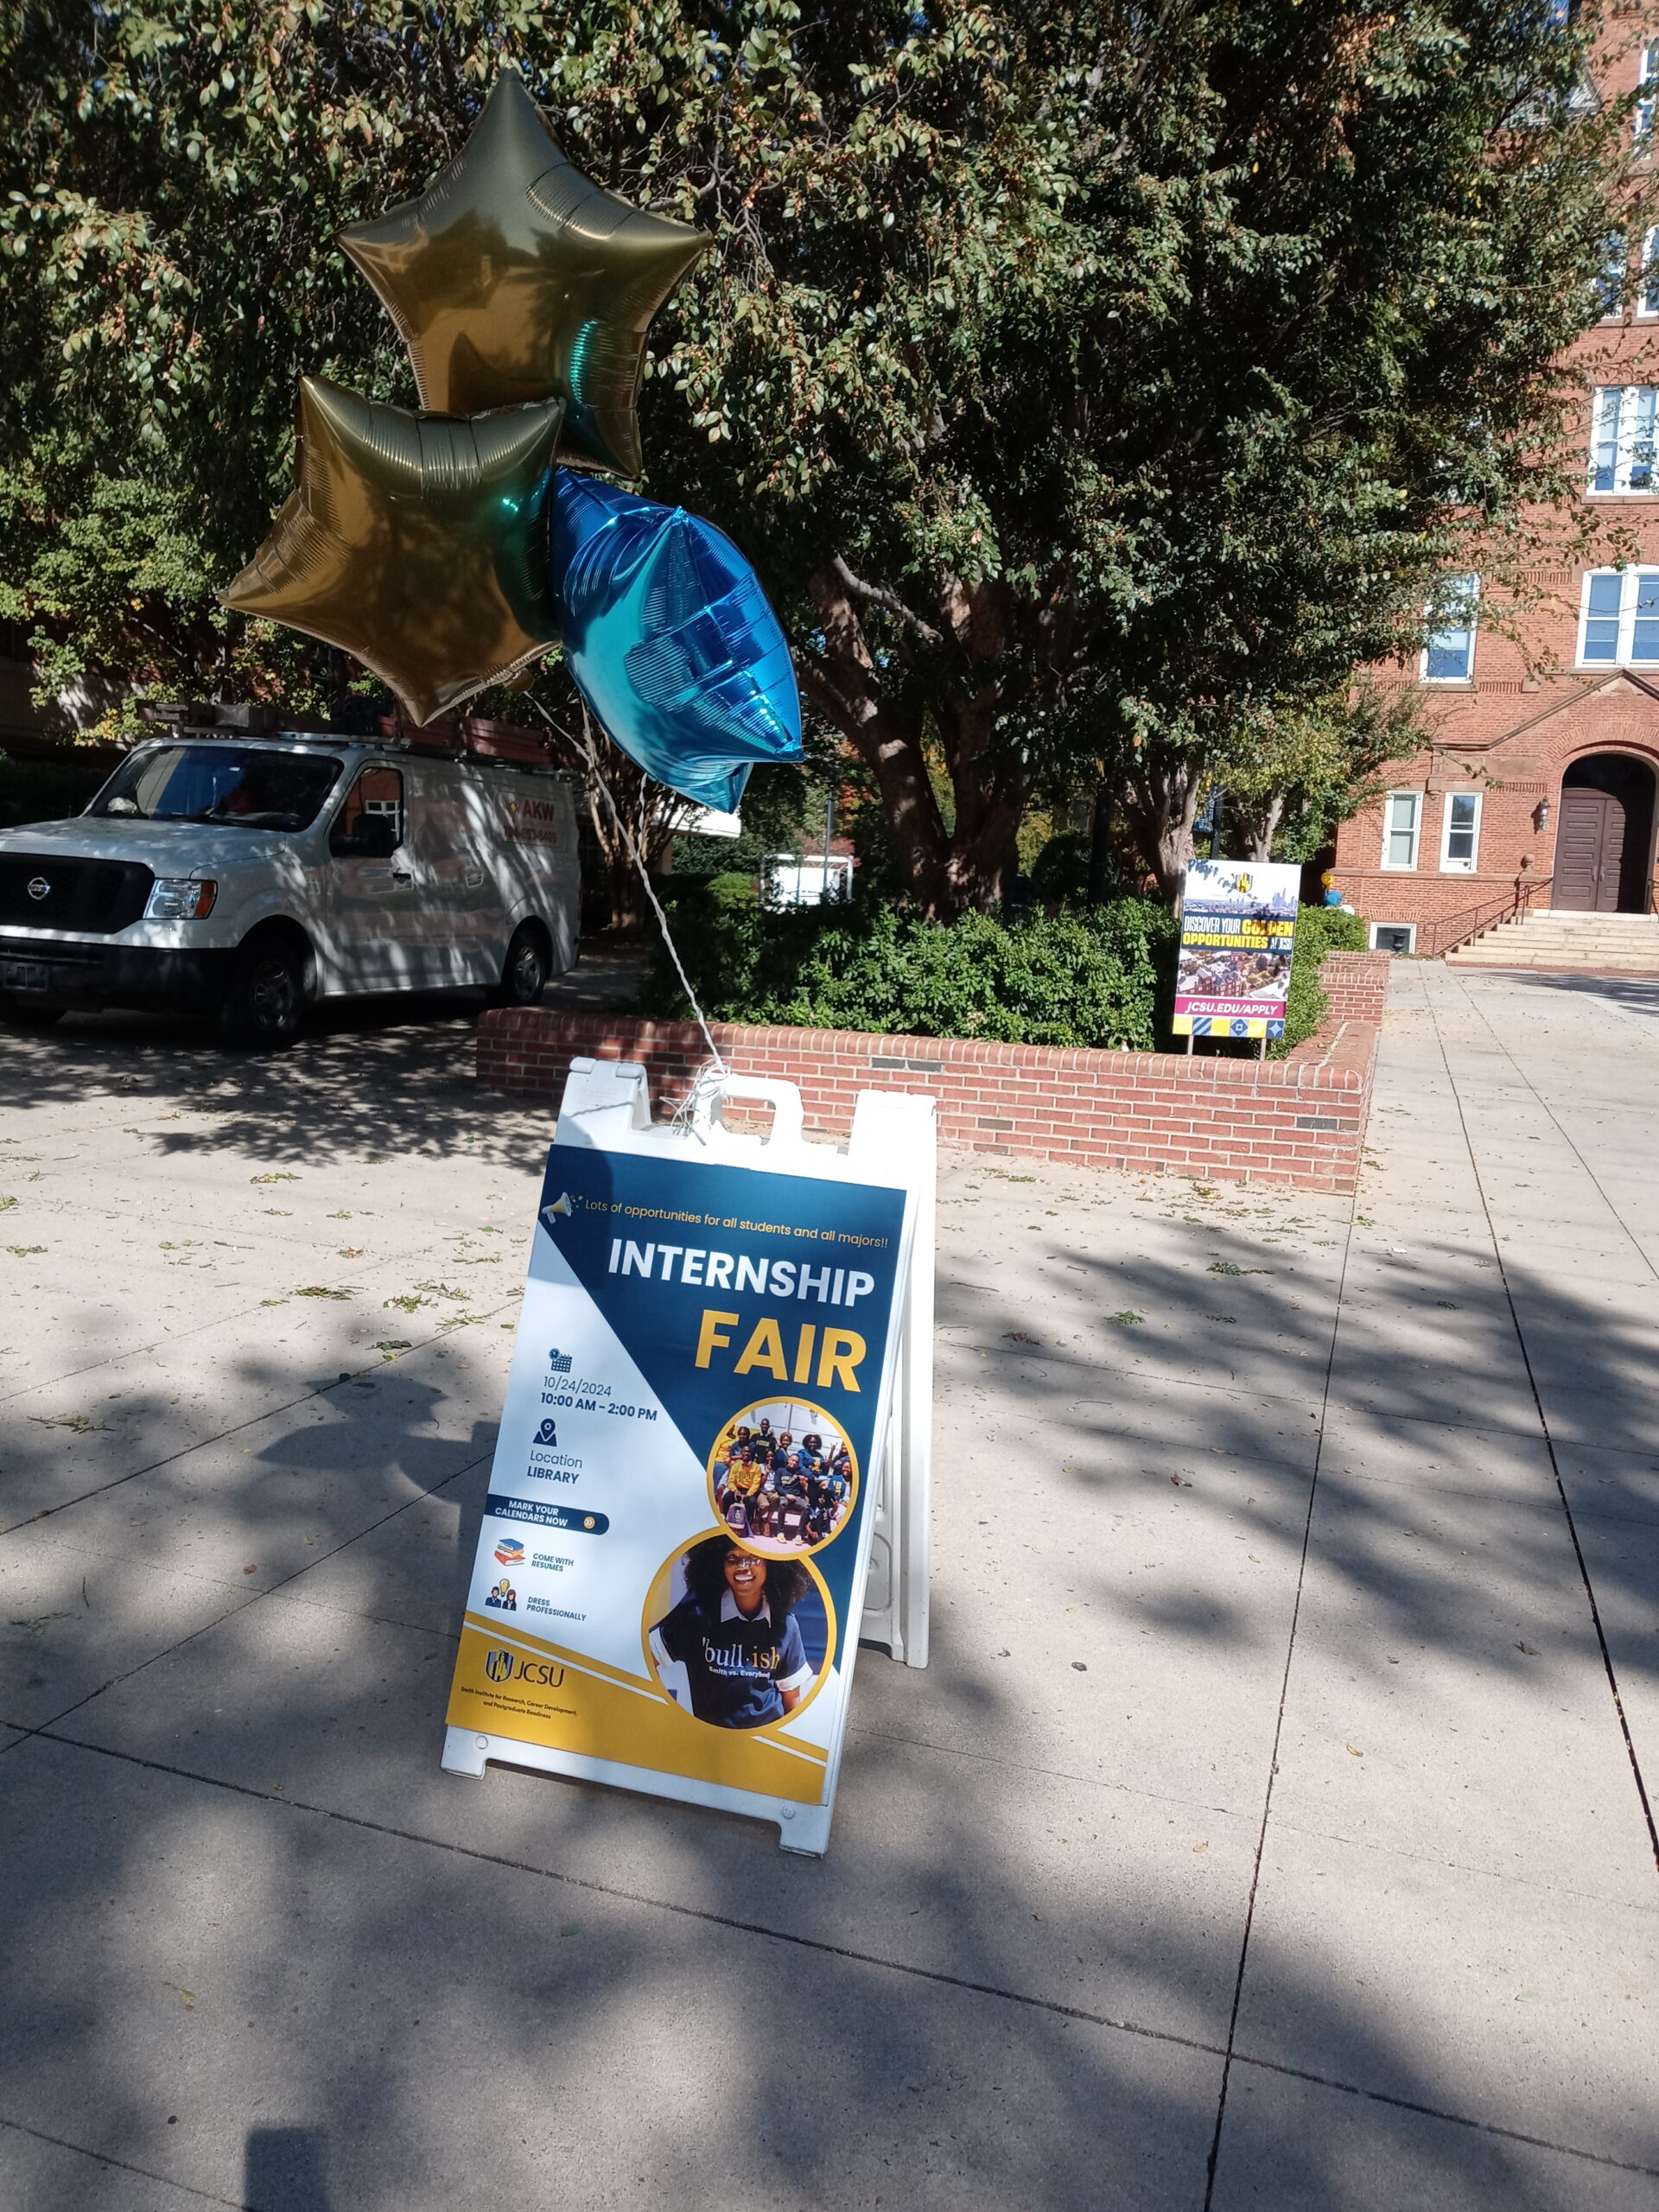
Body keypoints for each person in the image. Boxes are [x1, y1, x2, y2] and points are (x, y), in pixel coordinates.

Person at [650, 1542, 814, 1727]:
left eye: (754, 1557)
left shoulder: (786, 1624)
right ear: (719, 1564)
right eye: (732, 1558)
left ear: (772, 1564)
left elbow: (792, 1700)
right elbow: (648, 1658)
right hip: (711, 1742)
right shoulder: (697, 1615)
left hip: (767, 1742)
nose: (742, 1566)